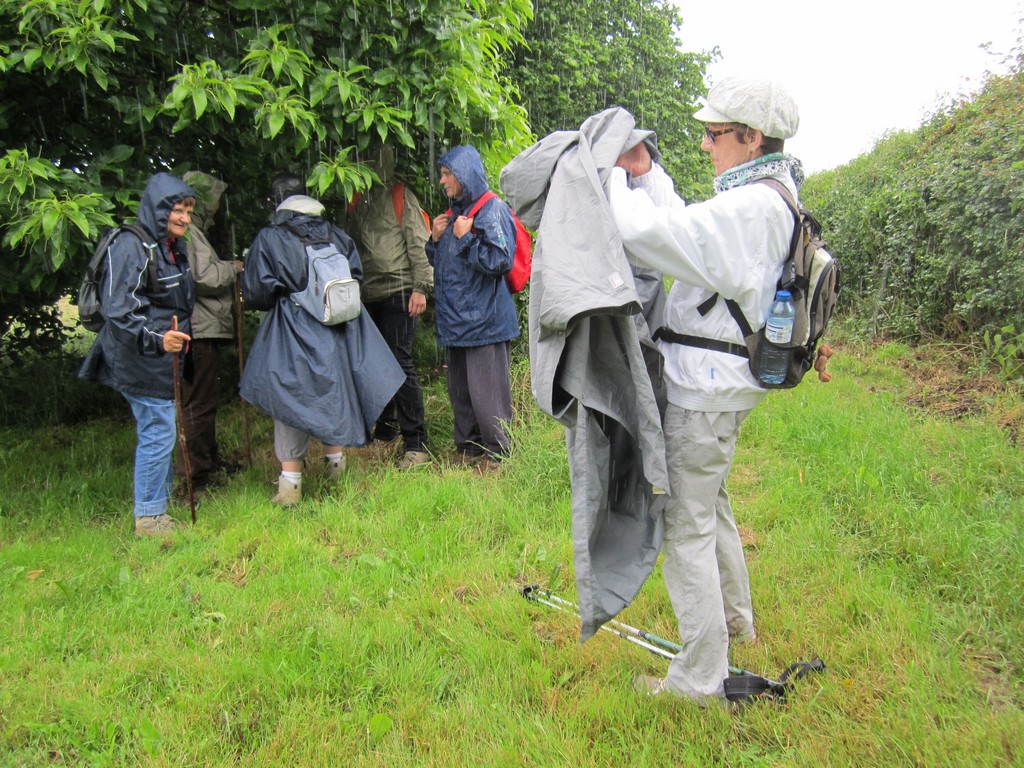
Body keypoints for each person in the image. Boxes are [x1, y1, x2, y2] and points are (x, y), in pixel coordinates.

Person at [608, 76, 802, 705]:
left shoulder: (754, 210)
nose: (704, 143)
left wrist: (612, 175)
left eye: (716, 134)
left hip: (704, 396)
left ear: (750, 139)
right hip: (722, 393)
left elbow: (655, 237)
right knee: (710, 506)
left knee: (684, 529)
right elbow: (690, 229)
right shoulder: (766, 198)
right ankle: (737, 626)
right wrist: (646, 171)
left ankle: (699, 677)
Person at [239, 174, 404, 506]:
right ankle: (336, 466)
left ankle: (290, 485)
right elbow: (355, 278)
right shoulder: (335, 235)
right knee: (334, 392)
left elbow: (256, 293)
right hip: (338, 327)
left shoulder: (270, 238)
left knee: (290, 397)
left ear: (278, 202)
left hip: (292, 328)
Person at [78, 172, 197, 536]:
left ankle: (157, 509)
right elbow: (120, 310)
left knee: (161, 427)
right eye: (177, 210)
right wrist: (158, 340)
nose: (184, 219)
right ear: (158, 210)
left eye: (188, 211)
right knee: (158, 430)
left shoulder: (166, 246)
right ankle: (148, 517)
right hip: (138, 356)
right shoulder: (131, 246)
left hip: (159, 358)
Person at [426, 145, 518, 471]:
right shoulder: (455, 214)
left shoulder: (492, 210)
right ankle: (468, 452)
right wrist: (435, 241)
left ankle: (498, 457)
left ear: (464, 175)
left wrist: (465, 238)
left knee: (487, 396)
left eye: (447, 174)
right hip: (458, 324)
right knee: (461, 394)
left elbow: (500, 260)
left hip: (485, 324)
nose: (442, 181)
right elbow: (449, 268)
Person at [346, 144, 433, 469]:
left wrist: (420, 288)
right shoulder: (356, 199)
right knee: (374, 364)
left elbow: (419, 243)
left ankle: (417, 444)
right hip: (368, 296)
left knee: (398, 362)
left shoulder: (400, 195)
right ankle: (385, 430)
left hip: (399, 291)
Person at [174, 171, 244, 492]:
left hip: (201, 328)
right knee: (197, 405)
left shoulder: (192, 233)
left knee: (203, 402)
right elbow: (204, 277)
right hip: (198, 329)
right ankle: (194, 478)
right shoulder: (189, 235)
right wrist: (234, 268)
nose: (215, 212)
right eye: (212, 204)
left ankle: (208, 462)